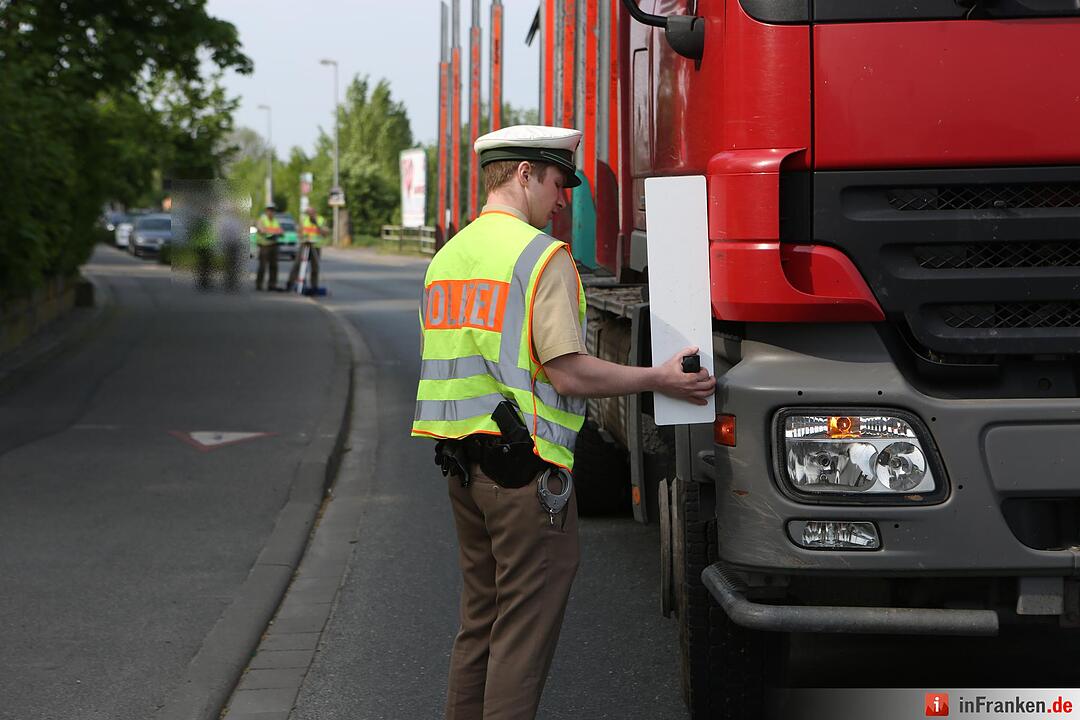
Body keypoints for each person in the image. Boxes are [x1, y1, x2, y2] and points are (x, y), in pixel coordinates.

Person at [411, 125, 716, 720]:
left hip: (462, 471)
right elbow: (569, 374)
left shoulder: (448, 256)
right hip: (525, 478)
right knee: (522, 635)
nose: (562, 200)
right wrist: (661, 378)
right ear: (524, 174)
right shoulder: (539, 257)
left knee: (481, 623)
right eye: (556, 182)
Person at [287, 205, 328, 292]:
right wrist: (301, 236)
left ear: (314, 212)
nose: (309, 214)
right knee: (297, 265)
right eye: (308, 213)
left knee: (315, 267)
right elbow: (299, 232)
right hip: (305, 245)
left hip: (315, 246)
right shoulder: (304, 220)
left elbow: (325, 233)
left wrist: (316, 224)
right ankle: (291, 283)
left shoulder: (321, 220)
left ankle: (314, 286)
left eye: (310, 212)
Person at [255, 202, 283, 291]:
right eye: (269, 210)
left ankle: (272, 284)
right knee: (262, 266)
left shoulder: (276, 220)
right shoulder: (262, 219)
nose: (271, 212)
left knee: (274, 266)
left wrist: (271, 231)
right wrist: (274, 231)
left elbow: (281, 231)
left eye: (273, 210)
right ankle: (259, 284)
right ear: (266, 211)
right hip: (264, 246)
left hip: (274, 245)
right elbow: (261, 230)